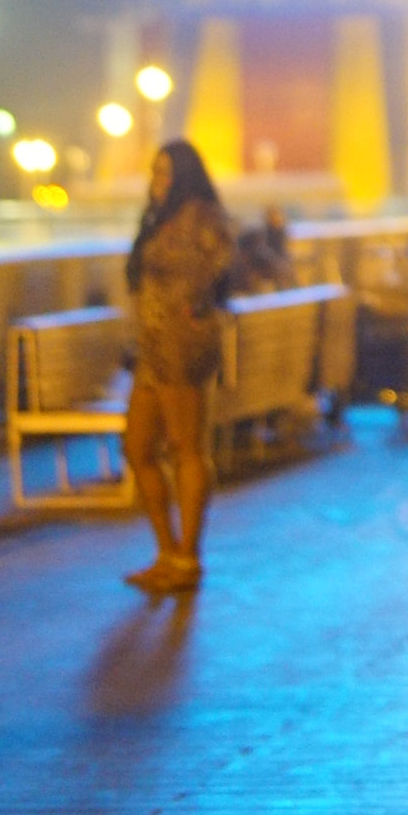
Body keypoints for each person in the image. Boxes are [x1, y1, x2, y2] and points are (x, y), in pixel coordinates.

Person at [123, 138, 236, 592]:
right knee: (137, 448)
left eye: (167, 172)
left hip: (182, 344)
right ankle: (167, 550)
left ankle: (187, 557)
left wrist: (193, 304)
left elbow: (215, 263)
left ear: (186, 175)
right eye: (154, 172)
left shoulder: (201, 216)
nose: (158, 181)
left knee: (186, 447)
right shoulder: (160, 218)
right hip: (152, 348)